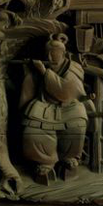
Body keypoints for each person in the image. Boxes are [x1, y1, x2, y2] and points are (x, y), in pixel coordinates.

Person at [19, 34, 90, 183]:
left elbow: (65, 92)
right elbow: (29, 87)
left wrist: (44, 72)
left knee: (76, 125)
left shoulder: (74, 68)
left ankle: (69, 158)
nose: (50, 57)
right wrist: (30, 72)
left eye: (54, 53)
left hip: (69, 105)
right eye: (48, 53)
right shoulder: (39, 67)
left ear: (63, 53)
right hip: (44, 105)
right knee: (33, 129)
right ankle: (45, 161)